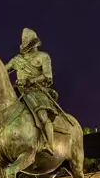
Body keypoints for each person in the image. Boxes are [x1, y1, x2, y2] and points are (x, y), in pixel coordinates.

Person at [5, 28, 63, 156]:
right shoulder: (16, 60)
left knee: (42, 115)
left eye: (26, 40)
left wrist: (30, 81)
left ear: (33, 42)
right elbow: (3, 71)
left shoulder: (43, 57)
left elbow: (48, 76)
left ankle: (49, 144)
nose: (24, 42)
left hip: (37, 90)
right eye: (23, 40)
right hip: (19, 92)